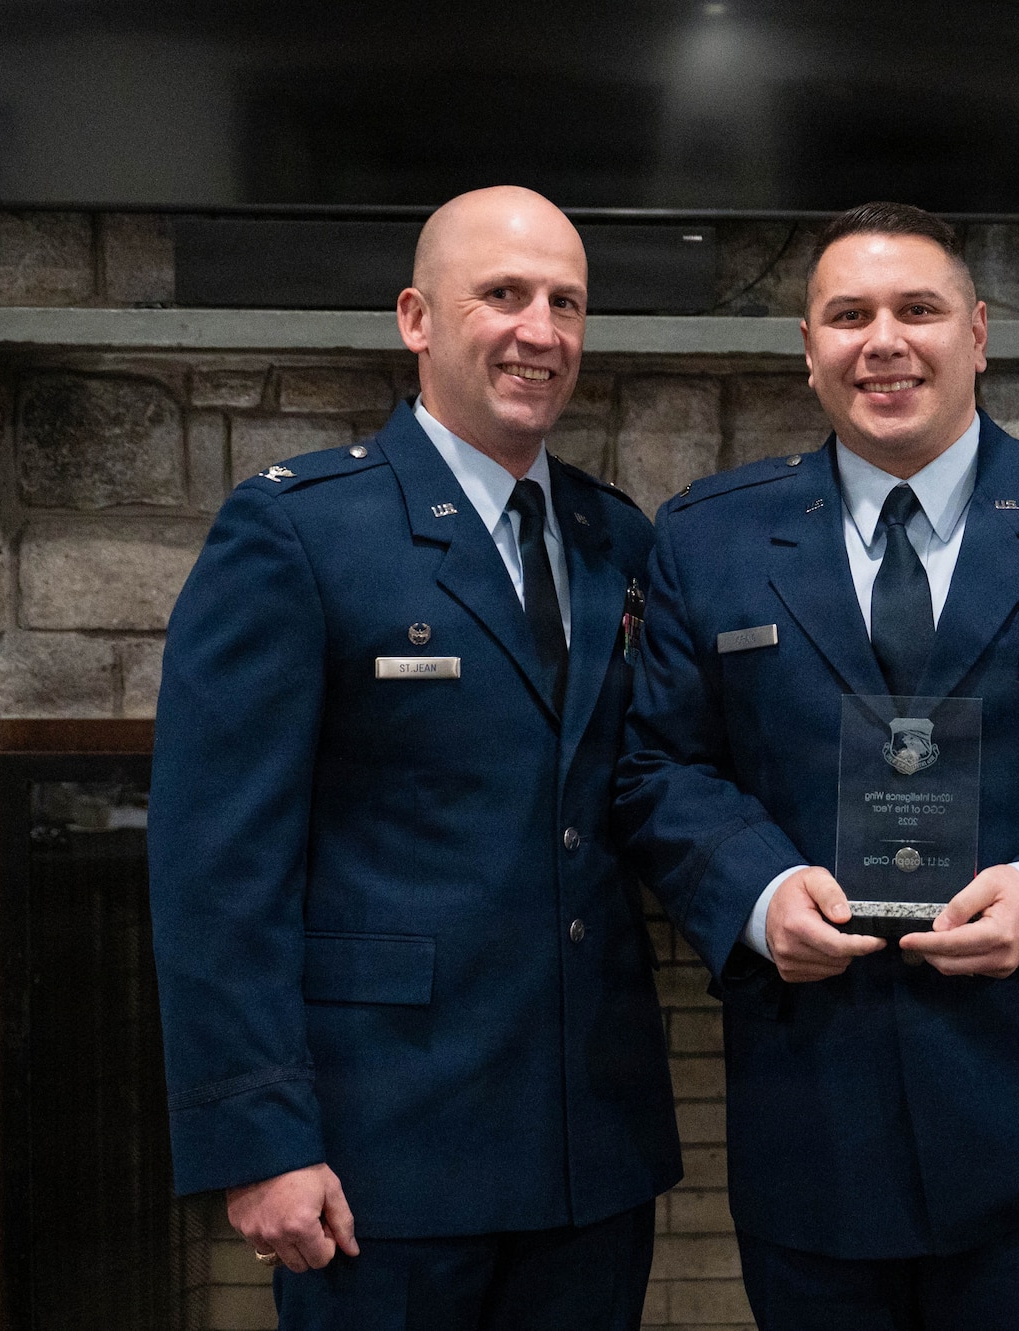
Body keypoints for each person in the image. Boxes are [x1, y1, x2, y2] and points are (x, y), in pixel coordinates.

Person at [615, 202, 1019, 1331]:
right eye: (847, 314)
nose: (884, 340)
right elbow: (656, 768)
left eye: (917, 309)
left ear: (976, 331)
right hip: (817, 1115)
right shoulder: (707, 537)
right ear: (807, 351)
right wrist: (759, 894)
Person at [149, 186, 681, 1330]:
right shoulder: (298, 530)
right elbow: (215, 865)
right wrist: (260, 1138)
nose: (539, 331)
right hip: (380, 1156)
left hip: (590, 1150)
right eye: (502, 295)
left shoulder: (615, 539)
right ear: (416, 319)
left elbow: (643, 793)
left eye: (566, 303)